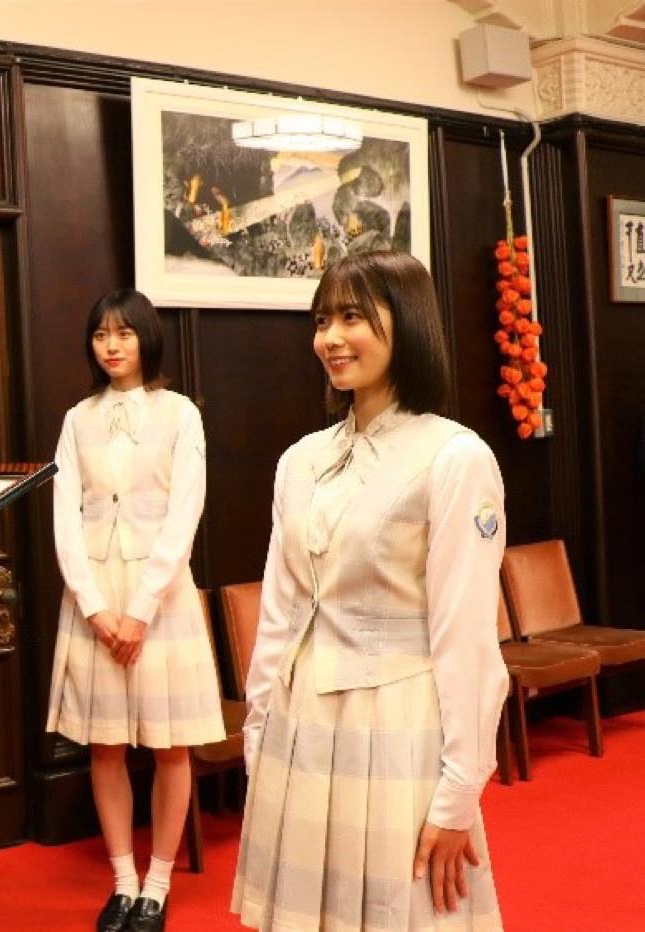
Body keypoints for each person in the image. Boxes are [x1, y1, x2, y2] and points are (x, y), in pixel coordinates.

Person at [231, 251, 509, 931]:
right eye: (321, 320)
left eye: (352, 316)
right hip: (298, 725)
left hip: (396, 726)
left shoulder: (454, 457)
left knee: (401, 913)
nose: (330, 337)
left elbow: (466, 636)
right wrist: (259, 729)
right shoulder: (301, 460)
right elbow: (281, 609)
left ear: (404, 321)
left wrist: (460, 789)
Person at [46, 288, 226, 932]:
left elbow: (185, 513)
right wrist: (95, 607)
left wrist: (143, 607)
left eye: (123, 333)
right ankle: (122, 882)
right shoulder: (77, 419)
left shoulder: (180, 414)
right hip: (94, 594)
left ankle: (157, 885)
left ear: (146, 338)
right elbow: (65, 518)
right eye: (101, 335)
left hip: (162, 595)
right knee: (106, 746)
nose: (112, 345)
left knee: (171, 748)